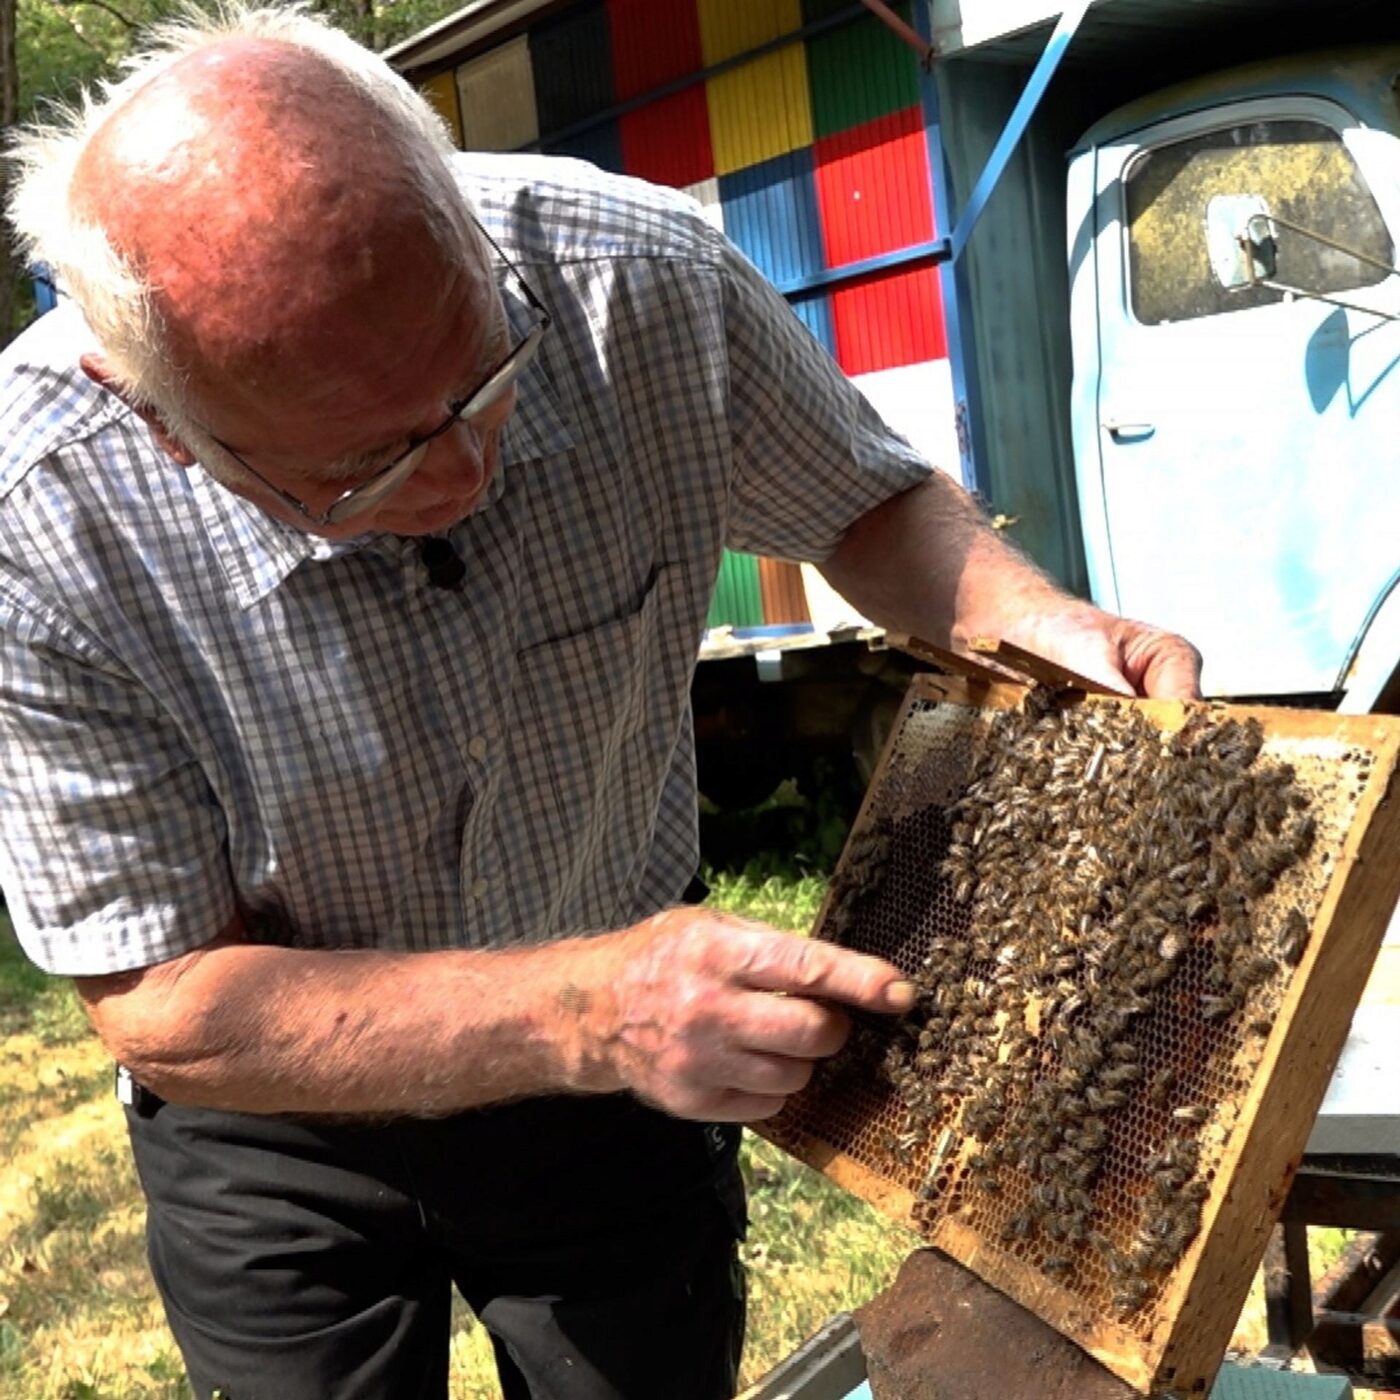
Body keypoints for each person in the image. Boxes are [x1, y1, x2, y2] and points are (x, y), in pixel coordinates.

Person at [0, 7, 1202, 1399]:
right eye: (363, 471)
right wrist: (582, 1006)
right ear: (162, 418)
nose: (460, 473)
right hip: (284, 1109)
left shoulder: (638, 275)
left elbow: (863, 501)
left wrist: (1025, 616)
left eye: (484, 380)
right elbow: (164, 998)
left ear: (456, 212)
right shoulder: (39, 521)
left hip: (618, 1088)